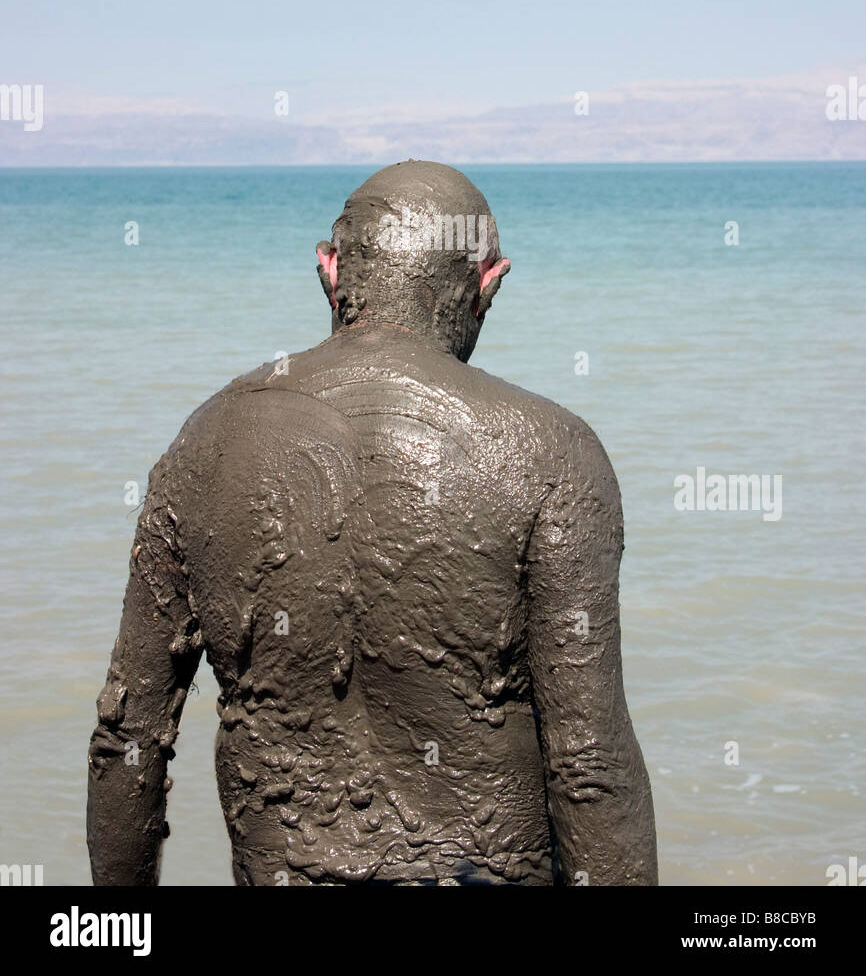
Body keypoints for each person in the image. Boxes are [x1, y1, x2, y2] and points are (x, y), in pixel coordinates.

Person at [87, 160, 657, 886]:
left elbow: (128, 736)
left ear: (329, 270)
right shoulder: (552, 451)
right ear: (490, 282)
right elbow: (590, 764)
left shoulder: (205, 442)